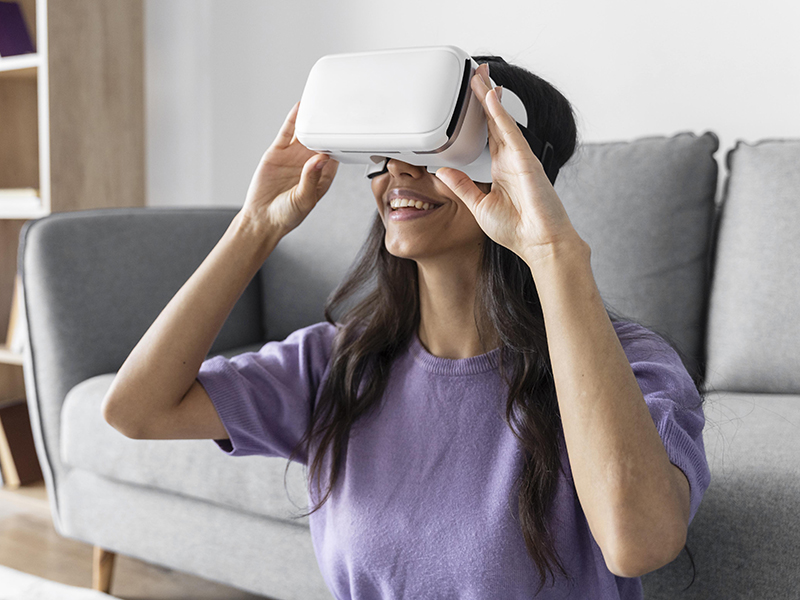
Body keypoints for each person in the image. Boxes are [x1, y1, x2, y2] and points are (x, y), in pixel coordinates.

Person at [102, 56, 710, 599]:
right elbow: (136, 411)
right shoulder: (339, 363)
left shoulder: (628, 365)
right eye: (389, 151)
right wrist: (255, 225)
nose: (398, 168)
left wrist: (553, 252)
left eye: (437, 147)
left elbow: (638, 544)